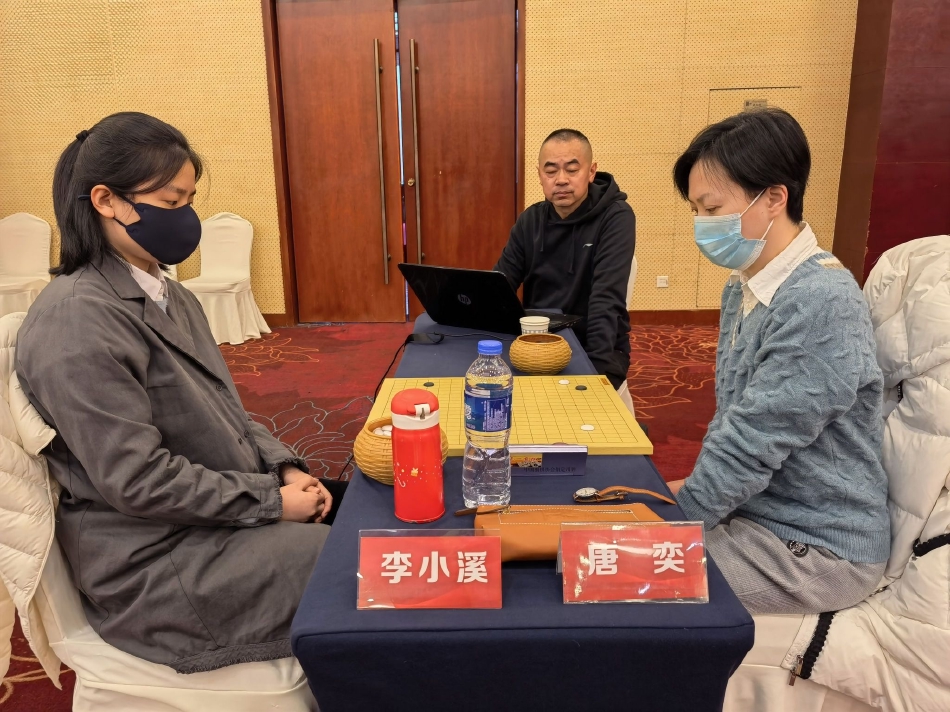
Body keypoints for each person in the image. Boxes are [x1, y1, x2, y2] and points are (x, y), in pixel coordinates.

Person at [16, 112, 344, 673]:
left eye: (189, 200)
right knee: (359, 561)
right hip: (158, 559)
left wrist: (285, 470)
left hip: (211, 514)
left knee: (363, 509)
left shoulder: (171, 294)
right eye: (171, 202)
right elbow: (137, 480)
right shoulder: (76, 321)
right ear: (106, 201)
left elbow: (230, 413)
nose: (186, 218)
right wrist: (271, 502)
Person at [668, 108, 889, 614]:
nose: (702, 226)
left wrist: (671, 523)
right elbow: (734, 424)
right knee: (601, 531)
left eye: (712, 208)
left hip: (816, 545)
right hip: (755, 510)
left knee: (609, 574)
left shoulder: (820, 299)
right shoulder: (744, 285)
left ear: (773, 198)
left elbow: (752, 443)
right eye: (697, 211)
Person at [494, 129, 636, 412]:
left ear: (591, 171)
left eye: (572, 169)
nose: (561, 180)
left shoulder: (616, 217)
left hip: (592, 343)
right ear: (539, 175)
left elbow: (606, 301)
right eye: (551, 171)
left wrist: (594, 375)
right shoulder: (531, 220)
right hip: (537, 342)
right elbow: (501, 285)